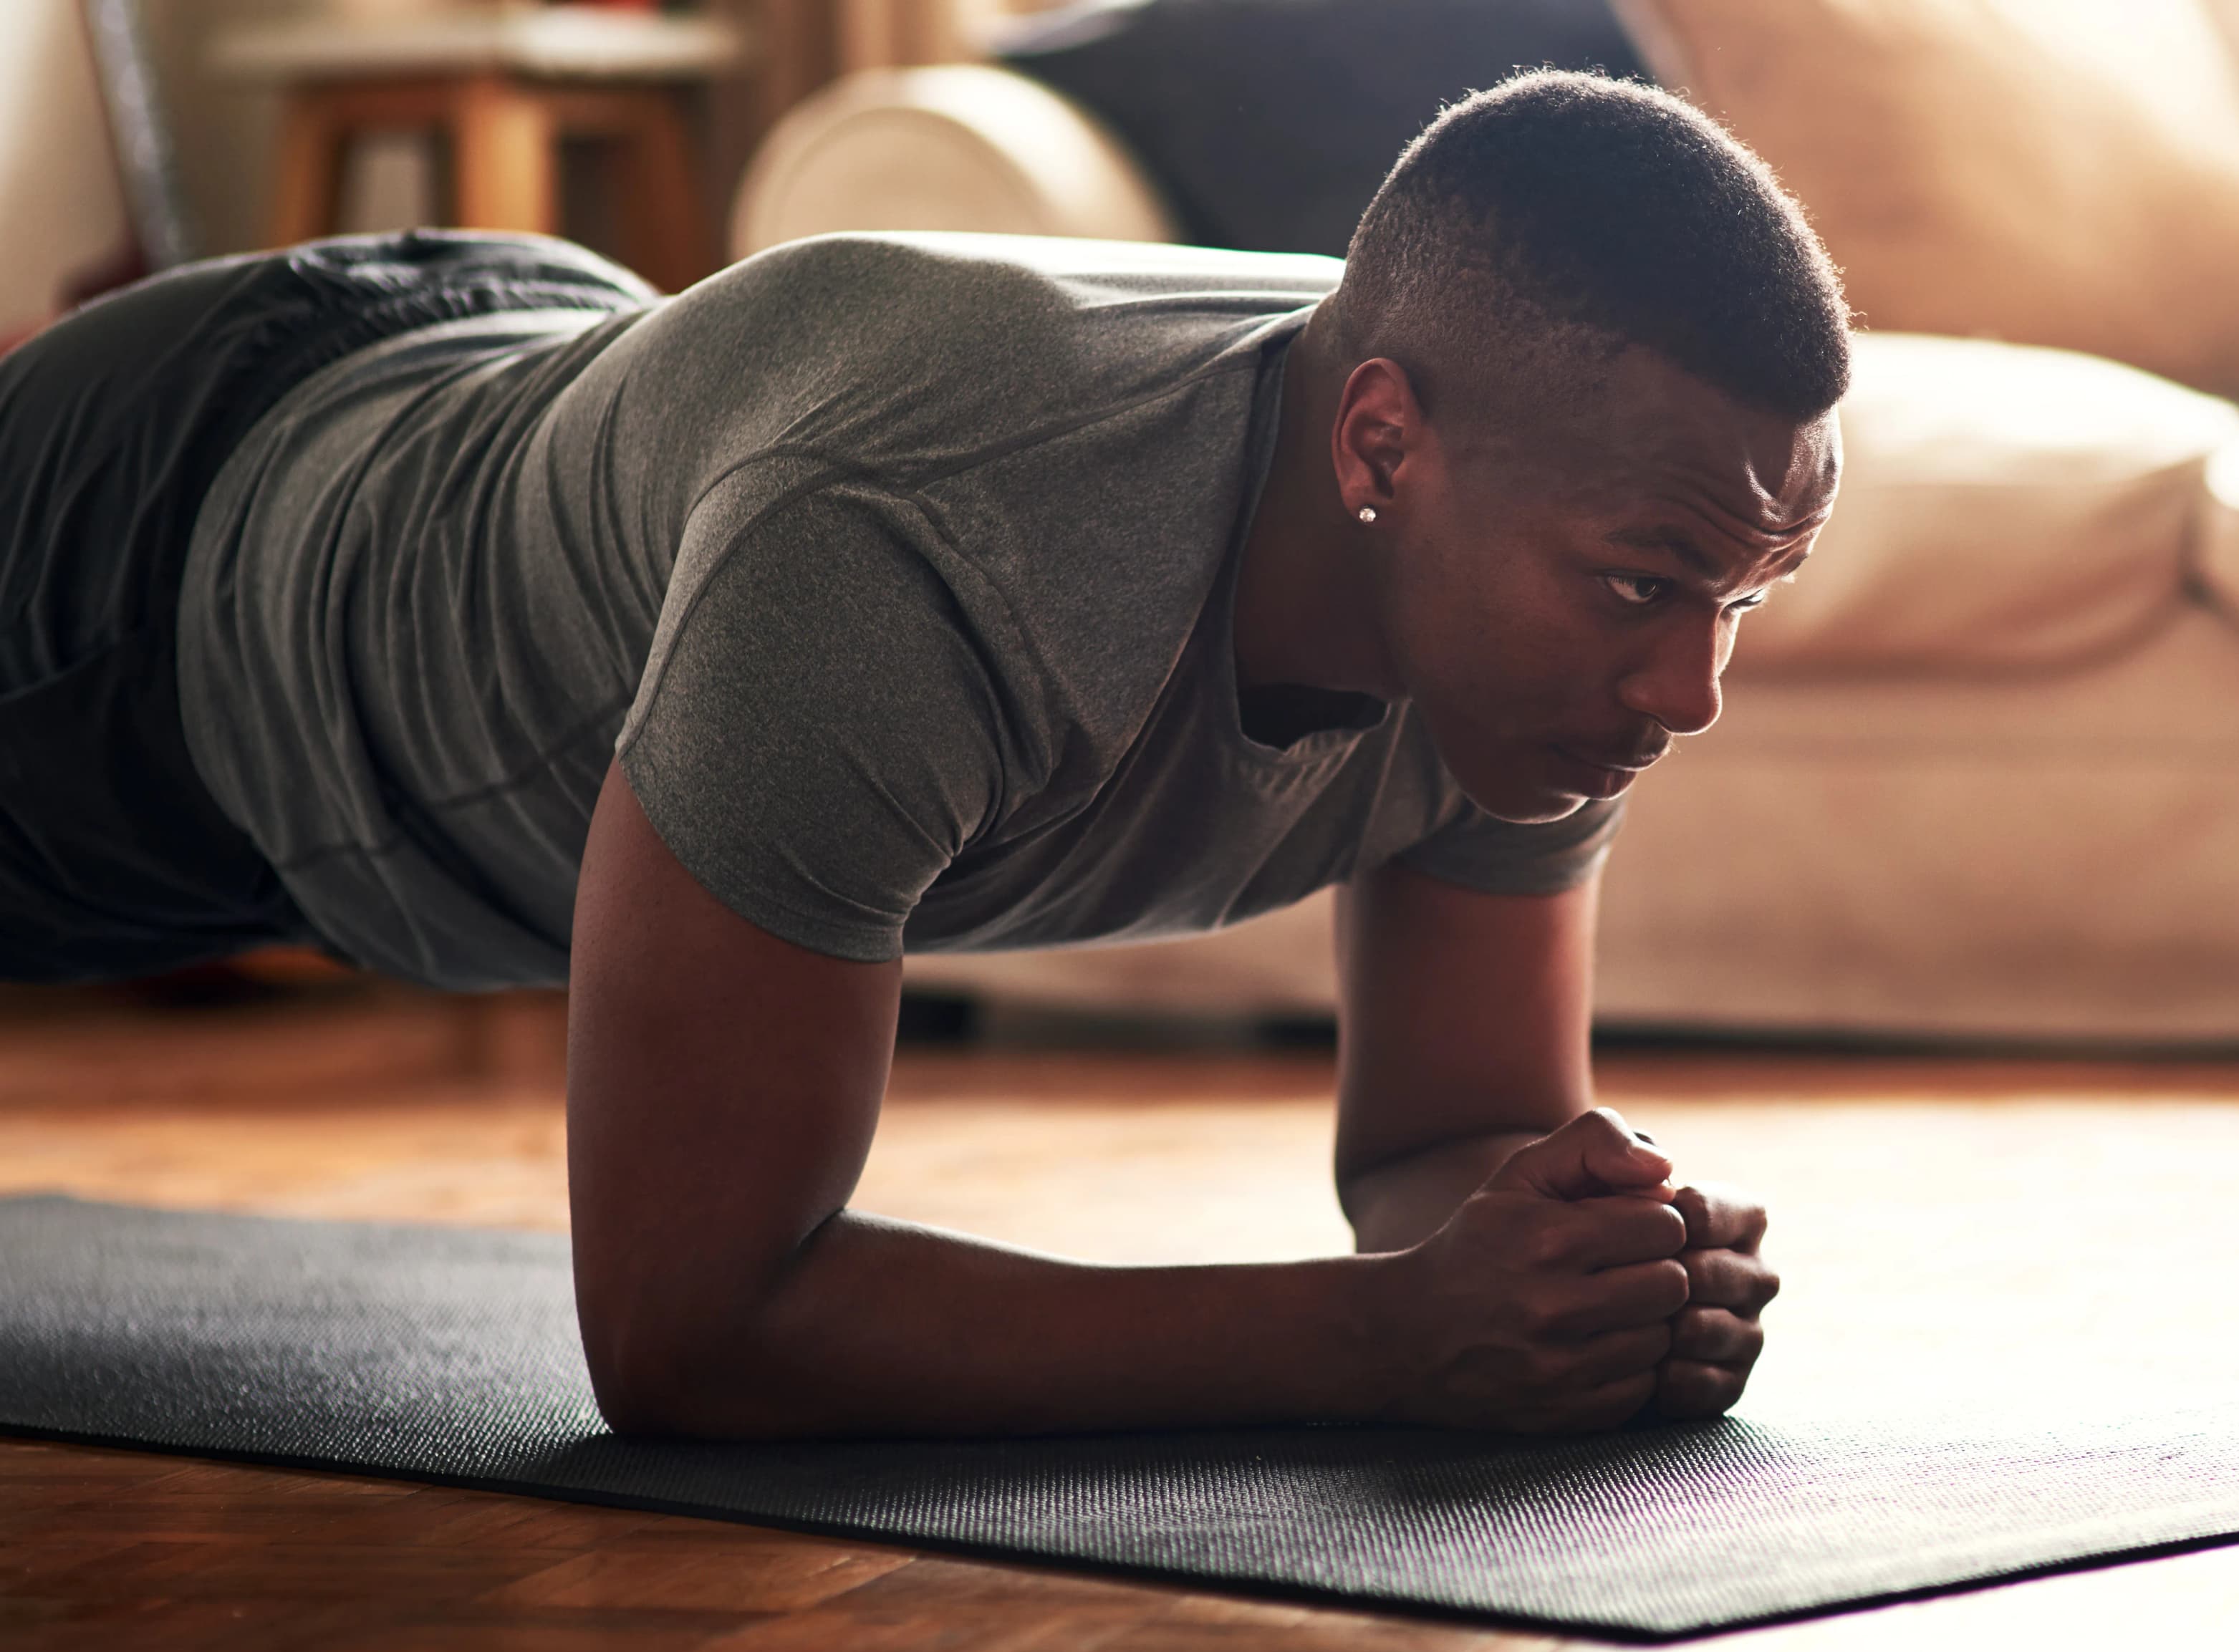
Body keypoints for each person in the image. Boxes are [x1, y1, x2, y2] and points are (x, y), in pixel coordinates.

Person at [0, 73, 1847, 1439]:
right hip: (153, 584)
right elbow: (691, 1332)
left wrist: (1584, 1269)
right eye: (1645, 585)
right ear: (1381, 450)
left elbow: (1453, 1137)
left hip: (504, 374)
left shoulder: (1532, 588)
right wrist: (1382, 1340)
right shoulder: (924, 543)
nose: (1690, 690)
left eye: (1744, 597)